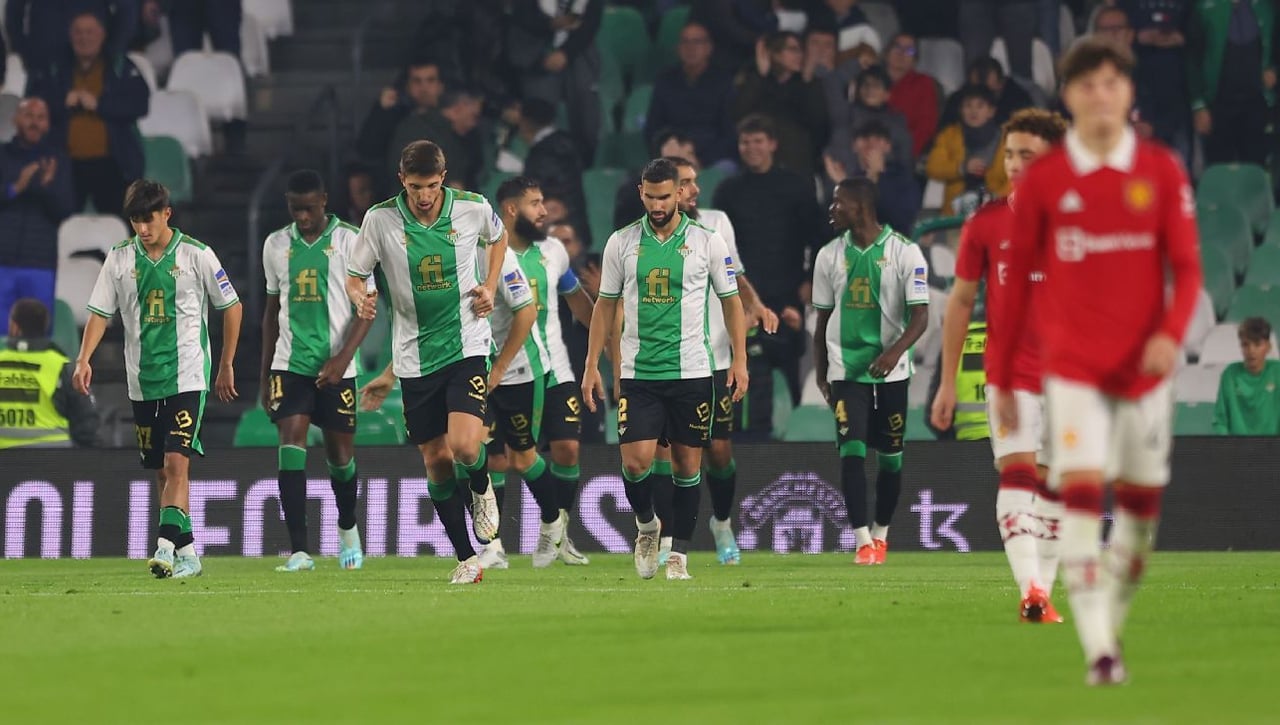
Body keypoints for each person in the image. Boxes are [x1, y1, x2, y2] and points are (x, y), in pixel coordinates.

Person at [993, 38, 1202, 686]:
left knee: (1137, 523)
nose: (1101, 95)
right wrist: (1000, 376)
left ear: (1129, 93)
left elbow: (1188, 268)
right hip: (1073, 371)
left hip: (1145, 375)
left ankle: (1107, 617)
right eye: (1087, 86)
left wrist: (1170, 332)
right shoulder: (1047, 184)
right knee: (1079, 497)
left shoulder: (1163, 170)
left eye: (1112, 83)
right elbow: (1014, 290)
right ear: (1070, 96)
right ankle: (1099, 649)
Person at [931, 108, 1069, 623]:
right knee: (1017, 475)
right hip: (1011, 377)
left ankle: (1042, 594)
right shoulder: (986, 224)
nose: (1012, 164)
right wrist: (947, 383)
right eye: (1008, 153)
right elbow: (960, 303)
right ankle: (1031, 587)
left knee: (1055, 487)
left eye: (1026, 155)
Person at [349, 141, 508, 585]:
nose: (424, 196)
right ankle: (465, 558)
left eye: (432, 186)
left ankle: (480, 485)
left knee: (464, 447)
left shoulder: (473, 207)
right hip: (414, 357)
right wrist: (359, 298)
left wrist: (490, 285)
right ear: (402, 179)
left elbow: (499, 238)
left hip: (466, 345)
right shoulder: (379, 220)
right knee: (436, 460)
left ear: (444, 178)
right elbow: (354, 273)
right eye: (416, 186)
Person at [581, 158, 748, 581]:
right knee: (636, 463)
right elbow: (605, 305)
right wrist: (592, 364)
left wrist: (740, 360)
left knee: (687, 467)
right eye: (651, 196)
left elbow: (731, 302)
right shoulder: (621, 243)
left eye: (665, 196)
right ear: (642, 193)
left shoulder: (707, 241)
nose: (658, 205)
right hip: (640, 373)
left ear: (680, 194)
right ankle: (646, 526)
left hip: (693, 371)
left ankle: (680, 557)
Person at [74, 179, 243, 579]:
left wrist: (225, 363)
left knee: (176, 461)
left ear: (167, 213)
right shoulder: (118, 259)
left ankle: (164, 549)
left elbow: (231, 306)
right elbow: (100, 312)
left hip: (187, 375)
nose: (142, 228)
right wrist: (84, 358)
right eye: (135, 221)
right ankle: (188, 553)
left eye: (148, 219)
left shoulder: (197, 255)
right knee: (161, 472)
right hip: (142, 381)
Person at [650, 155, 777, 567]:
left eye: (694, 181)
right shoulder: (650, 236)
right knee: (668, 453)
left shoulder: (717, 223)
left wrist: (756, 305)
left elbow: (734, 276)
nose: (694, 189)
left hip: (715, 356)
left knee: (718, 451)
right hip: (669, 360)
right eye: (686, 182)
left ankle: (721, 522)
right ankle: (668, 539)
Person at [480, 176, 597, 570]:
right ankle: (494, 544)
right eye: (535, 203)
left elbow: (577, 304)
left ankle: (558, 531)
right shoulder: (483, 253)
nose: (544, 211)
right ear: (511, 209)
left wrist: (603, 354)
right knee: (499, 458)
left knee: (565, 449)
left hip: (553, 367)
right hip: (495, 368)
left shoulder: (554, 251)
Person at [813, 177, 929, 566]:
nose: (832, 210)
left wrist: (895, 352)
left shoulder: (905, 252)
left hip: (890, 371)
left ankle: (881, 533)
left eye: (838, 203)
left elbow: (921, 315)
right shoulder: (829, 255)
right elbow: (822, 319)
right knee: (852, 451)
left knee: (891, 458)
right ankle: (862, 540)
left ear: (859, 207)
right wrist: (820, 371)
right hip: (846, 368)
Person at [260, 170, 372, 573]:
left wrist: (342, 359)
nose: (303, 216)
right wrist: (264, 375)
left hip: (338, 367)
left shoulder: (351, 240)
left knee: (340, 456)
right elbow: (271, 314)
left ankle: (347, 527)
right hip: (290, 365)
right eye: (295, 209)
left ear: (325, 201)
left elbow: (368, 308)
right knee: (291, 445)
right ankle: (298, 551)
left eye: (309, 208)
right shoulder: (275, 245)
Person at [713, 115, 826, 404]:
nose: (752, 148)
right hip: (741, 296)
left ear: (773, 144)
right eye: (745, 142)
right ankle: (740, 435)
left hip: (787, 292)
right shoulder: (727, 192)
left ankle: (792, 434)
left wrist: (810, 279)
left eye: (758, 141)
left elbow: (818, 238)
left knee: (790, 367)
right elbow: (716, 245)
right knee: (738, 368)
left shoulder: (797, 186)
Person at [26, 11, 150, 217]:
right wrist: (62, 101)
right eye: (78, 32)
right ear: (70, 35)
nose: (84, 38)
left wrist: (99, 104)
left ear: (102, 35)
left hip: (112, 164)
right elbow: (31, 103)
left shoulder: (120, 66)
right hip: (66, 165)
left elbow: (140, 104)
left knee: (122, 223)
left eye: (90, 32)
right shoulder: (53, 68)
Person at [0, 98, 75, 318]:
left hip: (39, 264)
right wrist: (15, 188)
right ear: (15, 120)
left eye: (40, 118)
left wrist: (45, 188)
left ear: (48, 125)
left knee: (37, 338)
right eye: (28, 116)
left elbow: (64, 209)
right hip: (2, 261)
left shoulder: (58, 161)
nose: (34, 122)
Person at [0, 298, 98, 450]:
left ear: (14, 327)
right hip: (53, 465)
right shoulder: (64, 368)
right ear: (45, 327)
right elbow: (87, 428)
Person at [1187, 0, 1276, 167]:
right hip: (1218, 105)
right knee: (1219, 167)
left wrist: (1274, 69)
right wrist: (1198, 105)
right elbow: (1191, 58)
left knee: (1255, 169)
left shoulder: (1267, 6)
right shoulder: (1203, 7)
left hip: (1256, 104)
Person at [731, 31, 830, 179]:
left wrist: (808, 82)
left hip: (797, 158)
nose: (799, 55)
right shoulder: (755, 80)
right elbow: (739, 114)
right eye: (792, 50)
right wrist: (760, 76)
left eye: (800, 50)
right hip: (760, 159)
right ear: (774, 54)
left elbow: (819, 122)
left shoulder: (807, 84)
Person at [645, 21, 737, 169]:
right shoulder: (665, 80)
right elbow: (653, 127)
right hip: (673, 152)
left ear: (709, 48)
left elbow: (729, 133)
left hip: (711, 156)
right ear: (678, 48)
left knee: (726, 169)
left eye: (697, 42)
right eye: (685, 42)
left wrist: (701, 159)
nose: (691, 47)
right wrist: (670, 148)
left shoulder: (723, 82)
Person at [825, 121, 921, 235]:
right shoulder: (846, 179)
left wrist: (875, 178)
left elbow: (899, 219)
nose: (871, 142)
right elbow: (835, 226)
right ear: (854, 145)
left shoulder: (903, 179)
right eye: (865, 137)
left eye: (879, 137)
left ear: (888, 146)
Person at [926, 84, 1009, 213]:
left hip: (996, 212)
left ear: (991, 111)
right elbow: (933, 167)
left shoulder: (1008, 140)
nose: (973, 111)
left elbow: (1017, 179)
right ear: (961, 110)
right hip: (955, 214)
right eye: (968, 105)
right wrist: (962, 168)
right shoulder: (949, 135)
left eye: (980, 106)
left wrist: (994, 199)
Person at [1212, 316, 1280, 435]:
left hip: (1273, 449)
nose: (1251, 350)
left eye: (1257, 344)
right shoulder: (1230, 375)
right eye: (1245, 345)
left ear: (1268, 347)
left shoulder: (1277, 372)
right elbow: (1220, 422)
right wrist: (1226, 449)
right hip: (1236, 450)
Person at [884, 33, 941, 158]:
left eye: (909, 50)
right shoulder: (872, 79)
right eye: (897, 47)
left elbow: (926, 126)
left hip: (904, 155)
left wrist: (903, 153)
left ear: (915, 60)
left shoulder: (923, 83)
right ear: (886, 52)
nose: (902, 53)